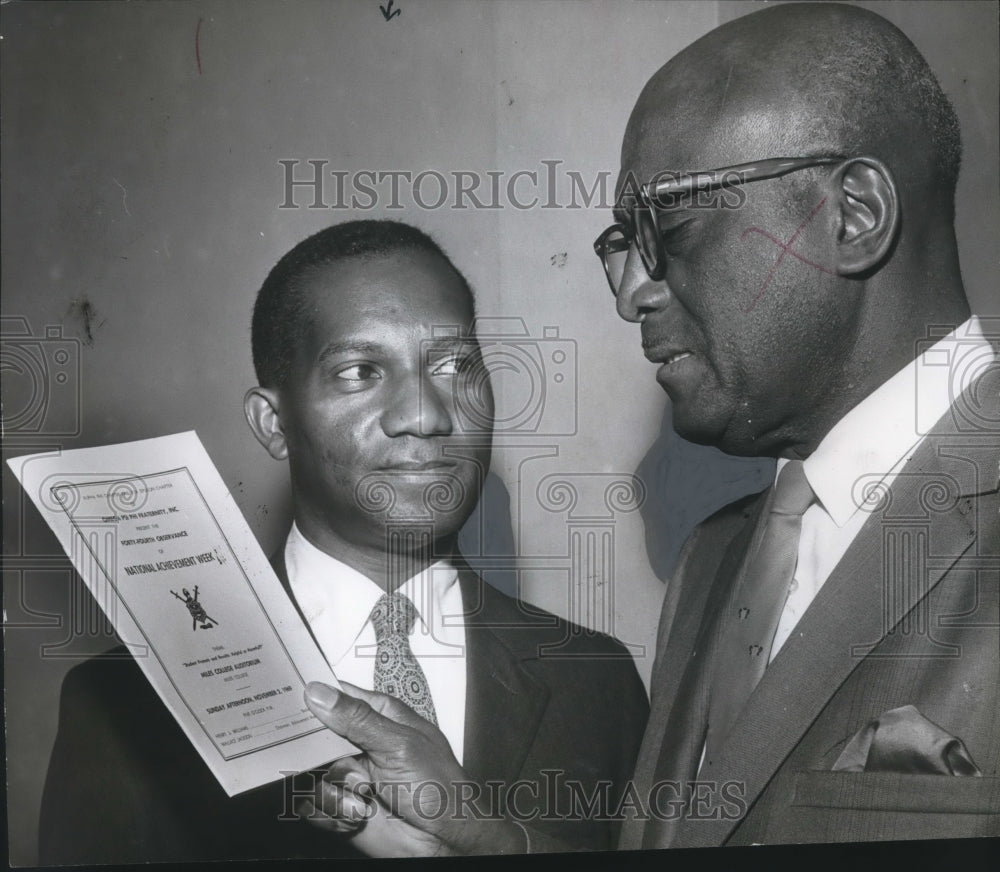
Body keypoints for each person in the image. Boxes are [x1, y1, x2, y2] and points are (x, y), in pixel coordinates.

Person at [303, 2, 998, 853]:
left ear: (853, 215)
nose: (632, 290)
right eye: (620, 243)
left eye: (668, 227)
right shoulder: (715, 563)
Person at [37, 220, 649, 863]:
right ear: (274, 423)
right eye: (360, 371)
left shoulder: (596, 681)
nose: (427, 414)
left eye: (453, 365)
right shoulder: (126, 707)